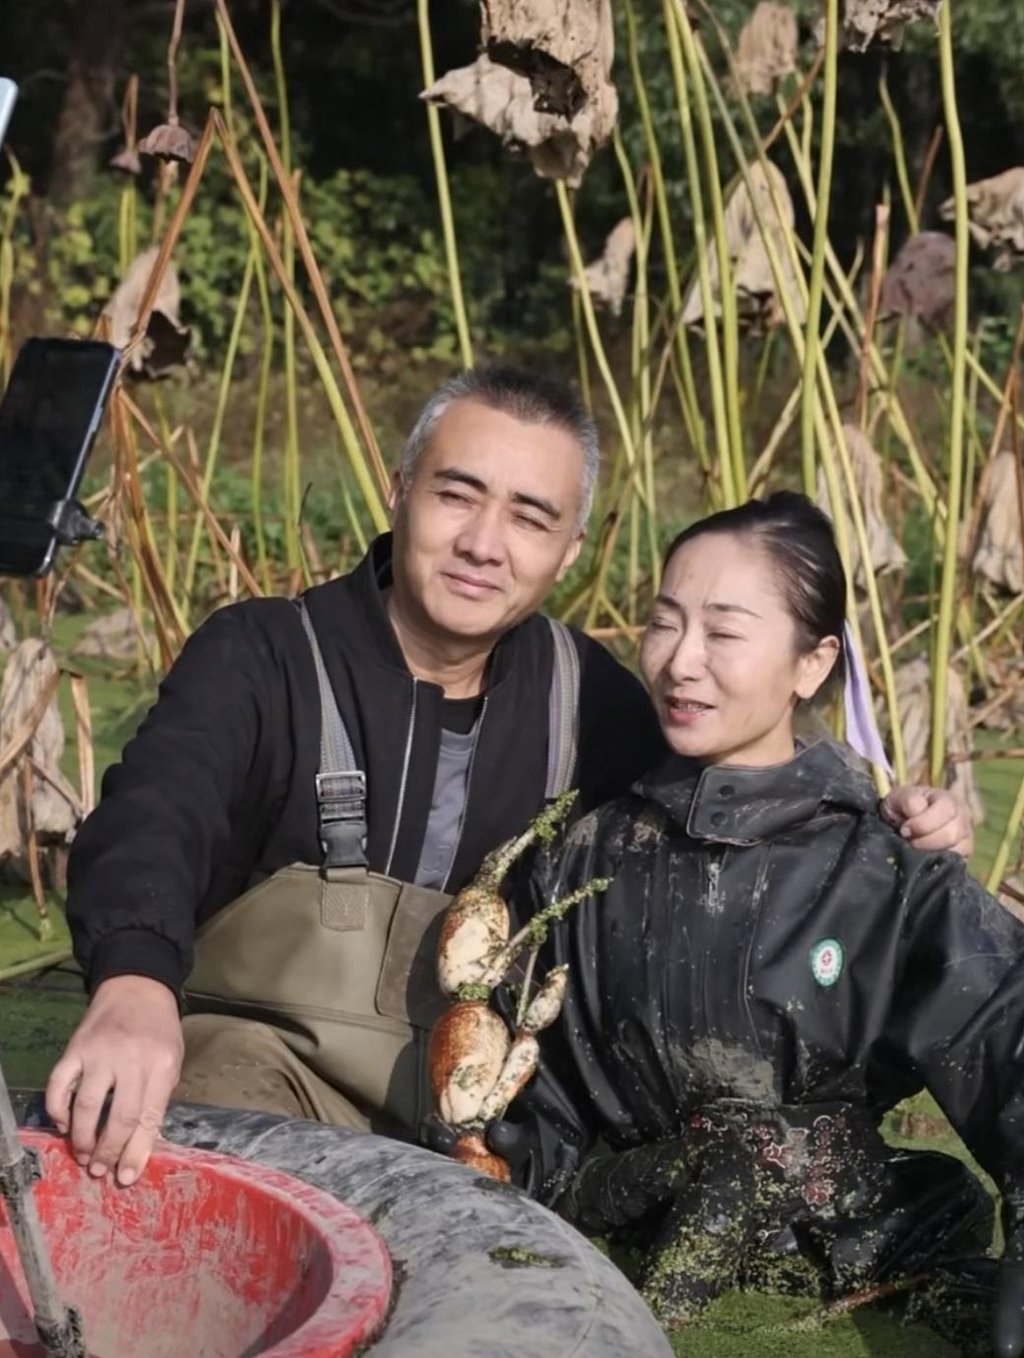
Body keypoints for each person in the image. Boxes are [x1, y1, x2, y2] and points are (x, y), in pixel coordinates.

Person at [45, 369, 971, 1192]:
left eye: (530, 518)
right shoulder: (263, 655)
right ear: (400, 491)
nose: (484, 543)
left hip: (490, 1136)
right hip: (258, 1081)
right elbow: (153, 816)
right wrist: (134, 984)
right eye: (457, 495)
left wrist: (882, 818)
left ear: (570, 550)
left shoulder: (592, 698)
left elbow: (735, 798)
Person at [507, 491, 1024, 1356]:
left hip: (857, 1246)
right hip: (621, 1239)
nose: (681, 661)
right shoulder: (580, 860)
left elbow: (1006, 1035)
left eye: (724, 631)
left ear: (811, 664)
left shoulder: (883, 868)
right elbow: (533, 1102)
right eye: (665, 623)